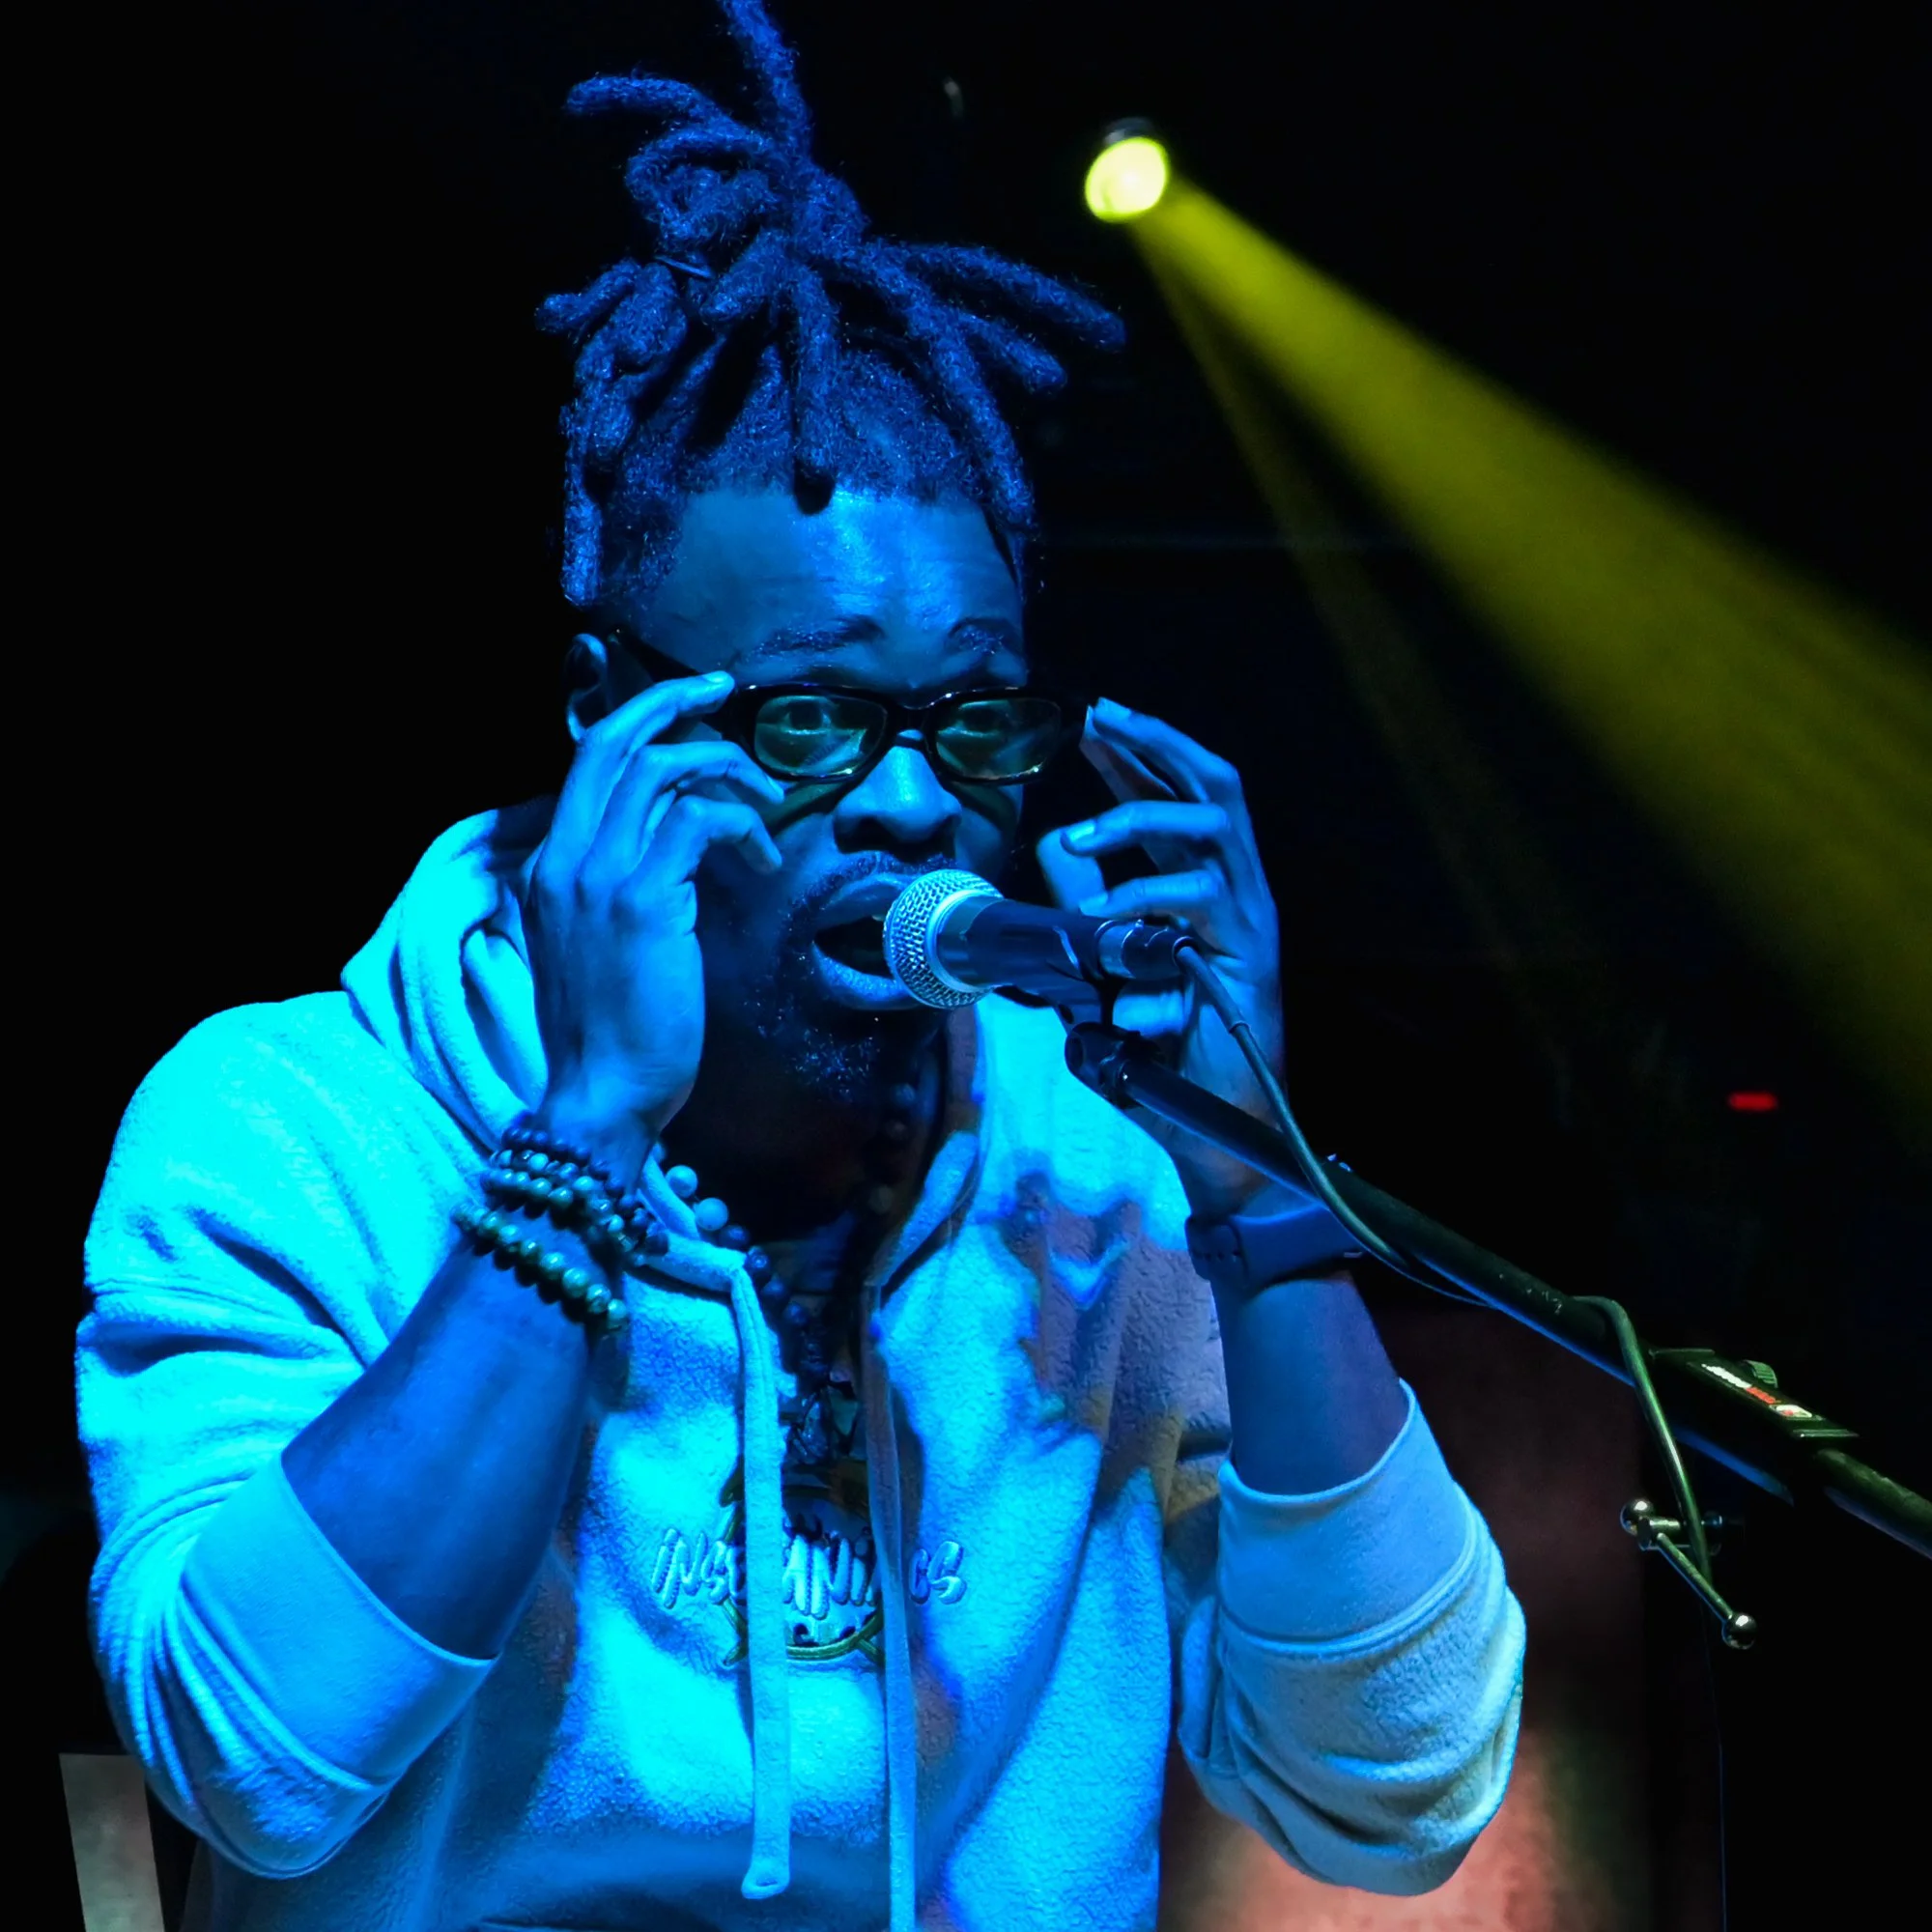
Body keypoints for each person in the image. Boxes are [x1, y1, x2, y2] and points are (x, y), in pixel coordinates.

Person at [78, 6, 1524, 1927]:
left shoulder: (1094, 1168)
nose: (916, 805)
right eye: (811, 726)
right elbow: (253, 1763)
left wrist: (1258, 1199)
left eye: (973, 720)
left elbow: (1397, 1791)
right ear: (607, 718)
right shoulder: (295, 1129)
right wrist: (584, 1144)